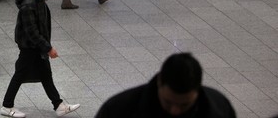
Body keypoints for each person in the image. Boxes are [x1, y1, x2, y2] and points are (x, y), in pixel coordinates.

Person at [1, 0, 81, 118]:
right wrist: (48, 48)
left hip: (35, 46)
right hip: (30, 47)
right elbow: (32, 32)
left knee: (45, 74)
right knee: (19, 75)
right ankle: (6, 106)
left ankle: (58, 105)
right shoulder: (29, 5)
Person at [96, 53, 236, 117]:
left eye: (184, 105)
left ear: (198, 90)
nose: (175, 111)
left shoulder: (219, 109)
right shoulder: (118, 110)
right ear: (159, 81)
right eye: (168, 102)